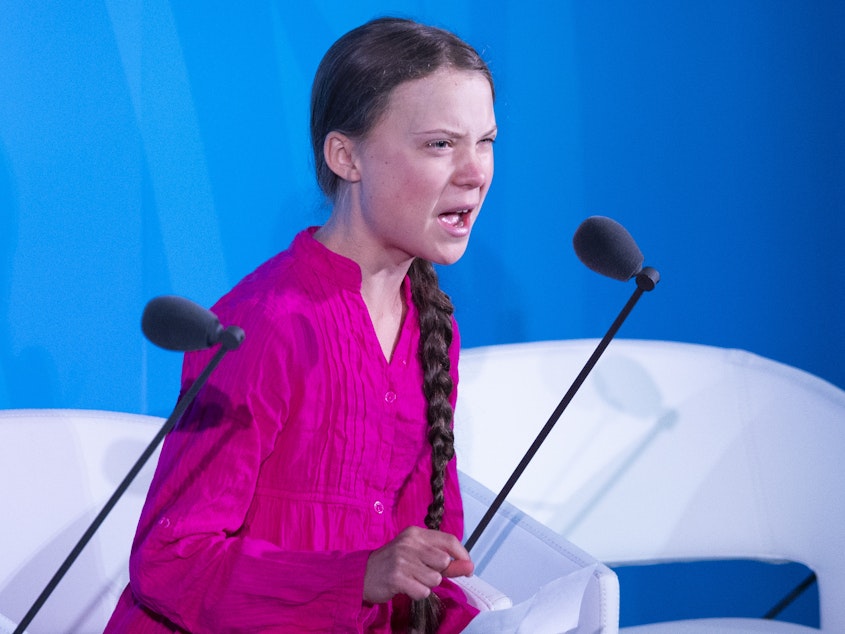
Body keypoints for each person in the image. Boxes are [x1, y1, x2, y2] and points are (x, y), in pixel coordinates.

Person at [105, 15, 497, 633]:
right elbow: (170, 560)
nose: (475, 171)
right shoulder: (265, 324)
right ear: (346, 156)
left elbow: (420, 569)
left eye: (487, 141)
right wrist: (357, 576)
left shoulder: (433, 328)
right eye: (440, 144)